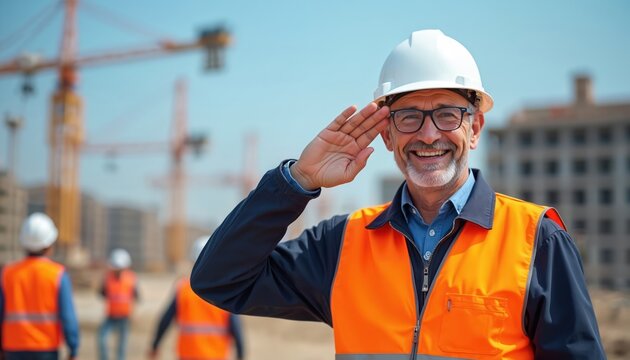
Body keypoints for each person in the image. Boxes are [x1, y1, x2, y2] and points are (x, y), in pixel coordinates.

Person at [190, 29, 605, 359]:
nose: (428, 135)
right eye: (409, 117)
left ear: (474, 128)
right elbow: (219, 280)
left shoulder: (537, 240)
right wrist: (298, 180)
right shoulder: (343, 244)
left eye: (446, 114)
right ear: (387, 135)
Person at [148, 236, 245, 360]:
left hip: (187, 355)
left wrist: (155, 345)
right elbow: (236, 328)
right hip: (215, 356)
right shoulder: (224, 290)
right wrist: (240, 354)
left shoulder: (182, 288)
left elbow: (166, 319)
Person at [0, 212, 80, 359]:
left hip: (13, 348)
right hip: (45, 349)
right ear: (49, 244)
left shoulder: (7, 274)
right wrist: (72, 347)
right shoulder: (58, 275)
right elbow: (68, 317)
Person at [98, 248, 138, 360]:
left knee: (121, 347)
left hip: (124, 318)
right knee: (102, 340)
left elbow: (135, 297)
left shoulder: (131, 278)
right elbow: (102, 293)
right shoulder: (107, 278)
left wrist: (133, 314)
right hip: (110, 316)